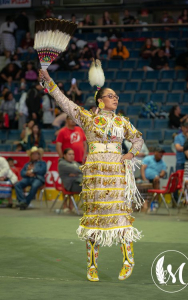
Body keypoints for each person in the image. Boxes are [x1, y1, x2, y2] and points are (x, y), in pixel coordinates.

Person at [40, 59, 144, 282]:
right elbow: (65, 102)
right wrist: (48, 81)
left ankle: (128, 261)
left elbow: (137, 139)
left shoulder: (122, 122)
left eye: (116, 96)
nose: (115, 98)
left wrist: (130, 154)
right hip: (95, 175)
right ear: (100, 100)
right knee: (94, 219)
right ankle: (92, 266)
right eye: (111, 96)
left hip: (116, 173)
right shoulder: (87, 118)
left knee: (121, 215)